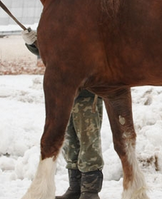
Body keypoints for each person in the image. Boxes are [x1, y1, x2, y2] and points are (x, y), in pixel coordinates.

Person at [22, 28, 104, 199]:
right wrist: (33, 42)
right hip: (66, 94)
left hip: (87, 93)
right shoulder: (61, 20)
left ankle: (90, 192)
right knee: (70, 143)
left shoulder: (89, 21)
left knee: (89, 142)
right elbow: (51, 51)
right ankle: (75, 189)